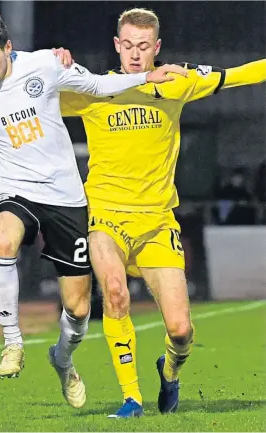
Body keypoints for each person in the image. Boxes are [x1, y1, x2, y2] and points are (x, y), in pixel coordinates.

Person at [0, 7, 186, 408]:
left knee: (78, 308)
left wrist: (144, 77)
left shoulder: (46, 65)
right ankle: (12, 342)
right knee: (4, 239)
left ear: (8, 48)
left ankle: (63, 360)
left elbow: (99, 86)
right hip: (13, 188)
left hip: (65, 196)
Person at [56, 7, 266, 417]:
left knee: (181, 331)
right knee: (114, 293)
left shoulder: (176, 83)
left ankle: (169, 373)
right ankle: (131, 398)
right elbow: (27, 95)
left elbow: (239, 74)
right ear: (117, 45)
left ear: (157, 48)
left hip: (156, 223)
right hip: (106, 215)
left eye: (143, 47)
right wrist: (50, 63)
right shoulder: (92, 88)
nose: (135, 55)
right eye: (128, 46)